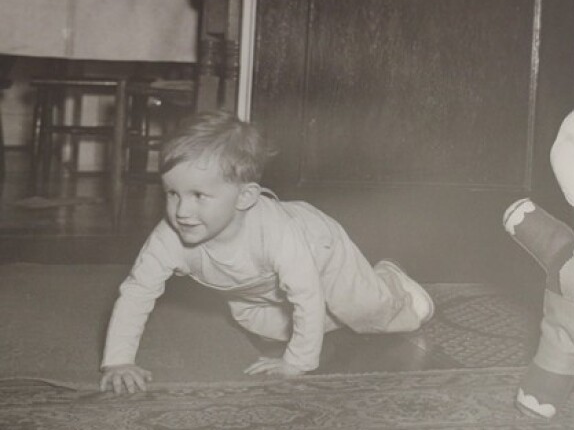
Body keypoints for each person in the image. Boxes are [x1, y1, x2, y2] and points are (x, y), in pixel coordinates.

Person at [99, 110, 434, 394]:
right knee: (271, 327)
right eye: (172, 194)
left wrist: (295, 364)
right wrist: (118, 360)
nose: (182, 211)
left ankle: (393, 284)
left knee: (365, 313)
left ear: (245, 198)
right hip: (254, 288)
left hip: (321, 253)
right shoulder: (167, 239)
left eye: (199, 196)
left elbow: (307, 294)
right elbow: (136, 293)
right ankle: (344, 308)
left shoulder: (278, 234)